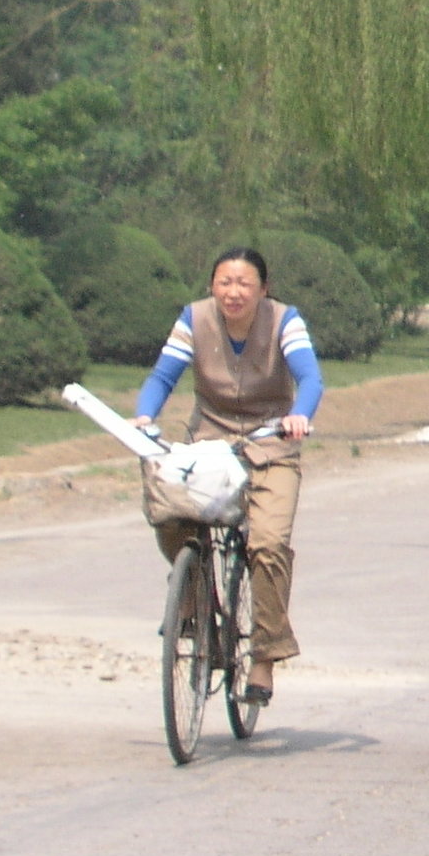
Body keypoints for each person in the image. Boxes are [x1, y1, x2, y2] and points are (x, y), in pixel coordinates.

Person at [133, 246, 324, 705]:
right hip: (211, 442)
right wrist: (144, 416)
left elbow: (310, 379)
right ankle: (195, 601)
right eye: (224, 283)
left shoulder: (285, 321)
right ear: (211, 286)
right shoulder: (193, 320)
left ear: (263, 289)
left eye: (244, 284)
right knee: (168, 506)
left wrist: (298, 415)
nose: (233, 293)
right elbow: (163, 376)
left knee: (268, 545)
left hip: (271, 444)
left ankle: (264, 657)